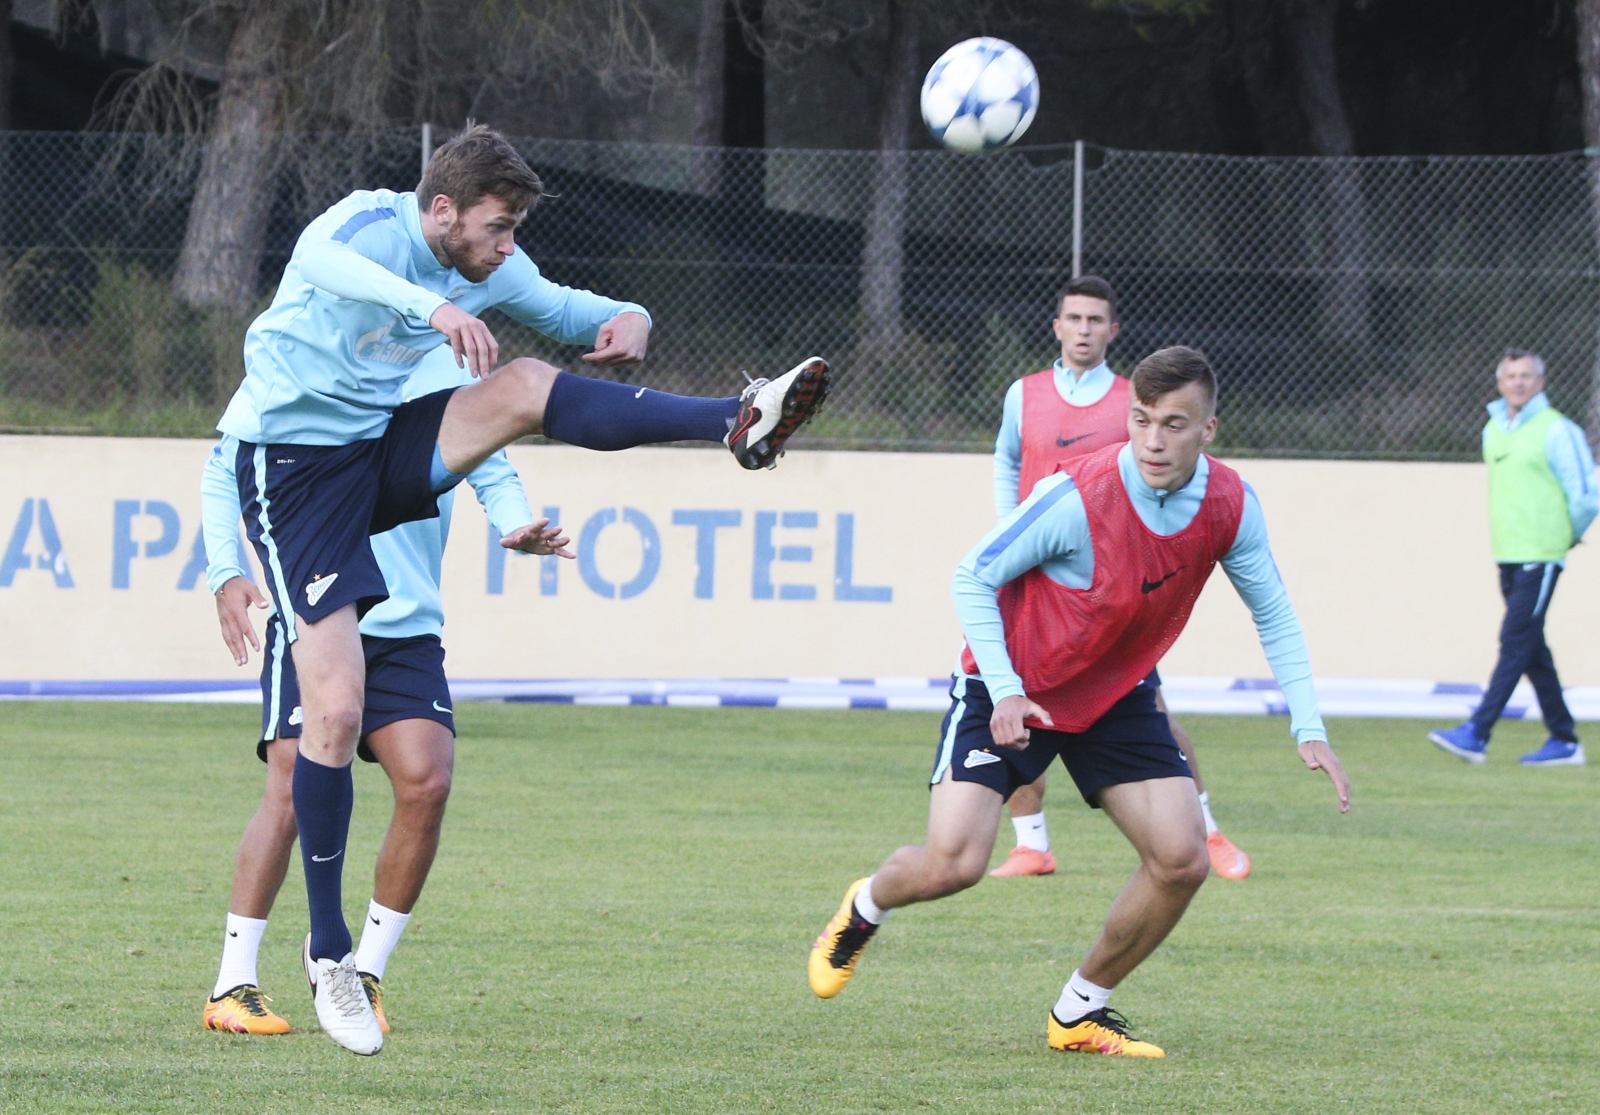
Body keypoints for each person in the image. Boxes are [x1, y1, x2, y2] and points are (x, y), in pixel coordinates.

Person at [215, 123, 829, 1055]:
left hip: (369, 454)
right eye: (498, 229)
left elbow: (577, 312)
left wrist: (630, 320)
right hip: (291, 470)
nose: (507, 249)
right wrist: (430, 310)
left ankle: (739, 420)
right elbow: (313, 258)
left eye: (513, 233)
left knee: (527, 384)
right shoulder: (370, 225)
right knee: (330, 717)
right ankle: (329, 954)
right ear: (442, 211)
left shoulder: (488, 265)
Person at [808, 347, 1349, 1057]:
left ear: (1209, 429)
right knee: (955, 862)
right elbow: (971, 576)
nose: (1153, 440)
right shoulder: (1076, 496)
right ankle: (866, 905)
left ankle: (1078, 1012)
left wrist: (1308, 725)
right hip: (1011, 685)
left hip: (1115, 692)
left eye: (1174, 424)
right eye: (1141, 420)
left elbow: (1273, 613)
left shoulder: (1231, 504)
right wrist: (1004, 687)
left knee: (1182, 858)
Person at [200, 346, 570, 1038]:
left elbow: (489, 461)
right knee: (288, 786)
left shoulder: (446, 366)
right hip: (315, 609)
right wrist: (226, 568)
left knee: (427, 779)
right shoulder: (312, 347)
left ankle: (359, 972)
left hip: (407, 624)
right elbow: (226, 466)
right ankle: (233, 981)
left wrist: (513, 520)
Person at [990, 276, 1249, 881]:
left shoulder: (1137, 403)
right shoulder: (1022, 394)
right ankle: (1031, 844)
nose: (1083, 329)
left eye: (1095, 320)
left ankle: (1205, 830)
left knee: (1148, 707)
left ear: (1113, 331)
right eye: (1073, 318)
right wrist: (1010, 529)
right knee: (1010, 701)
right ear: (1056, 327)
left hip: (1108, 589)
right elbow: (1006, 459)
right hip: (1029, 580)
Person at [1429, 349, 1596, 767]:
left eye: (1526, 376)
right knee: (1532, 647)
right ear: (1501, 383)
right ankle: (1565, 740)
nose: (1518, 383)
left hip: (1541, 554)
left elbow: (1586, 495)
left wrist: (1569, 534)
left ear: (1540, 382)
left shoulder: (1558, 430)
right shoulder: (1493, 430)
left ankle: (1477, 733)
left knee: (1514, 640)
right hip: (1507, 553)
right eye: (1511, 376)